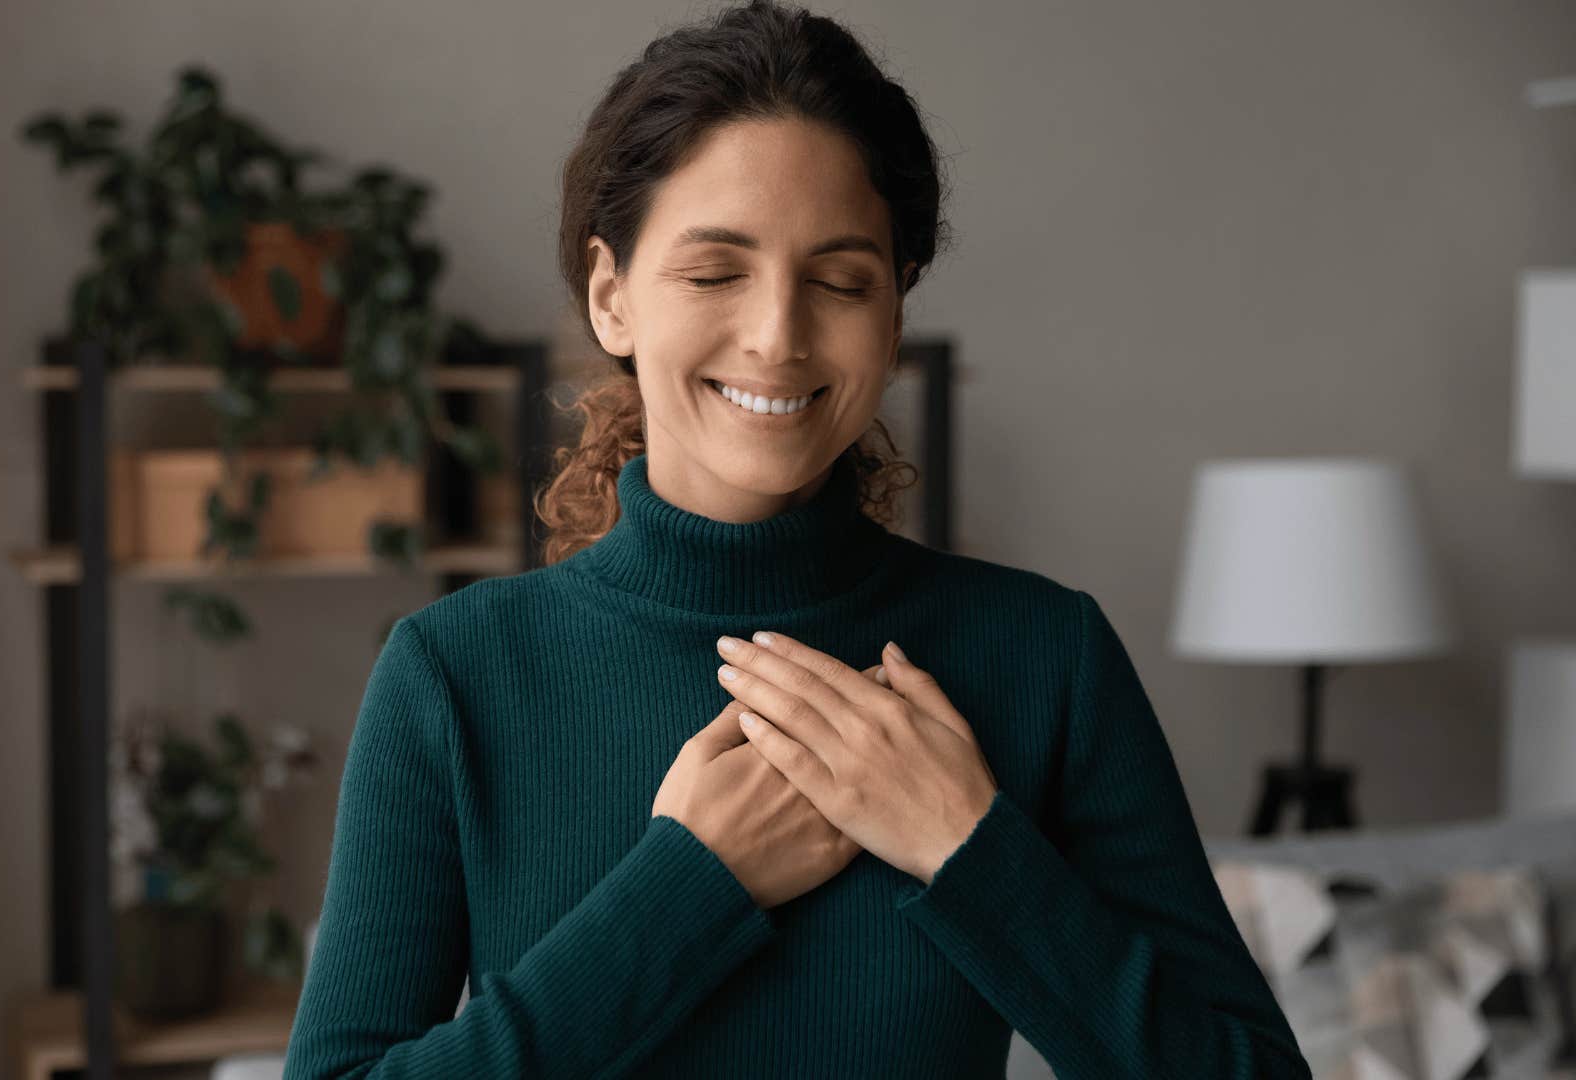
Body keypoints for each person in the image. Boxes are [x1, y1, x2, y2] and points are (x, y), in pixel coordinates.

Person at [282, 2, 1311, 1076]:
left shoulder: (1047, 656)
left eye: (840, 279)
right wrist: (687, 890)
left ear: (894, 315)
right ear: (612, 296)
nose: (778, 334)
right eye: (716, 271)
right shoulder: (455, 677)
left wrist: (970, 850)